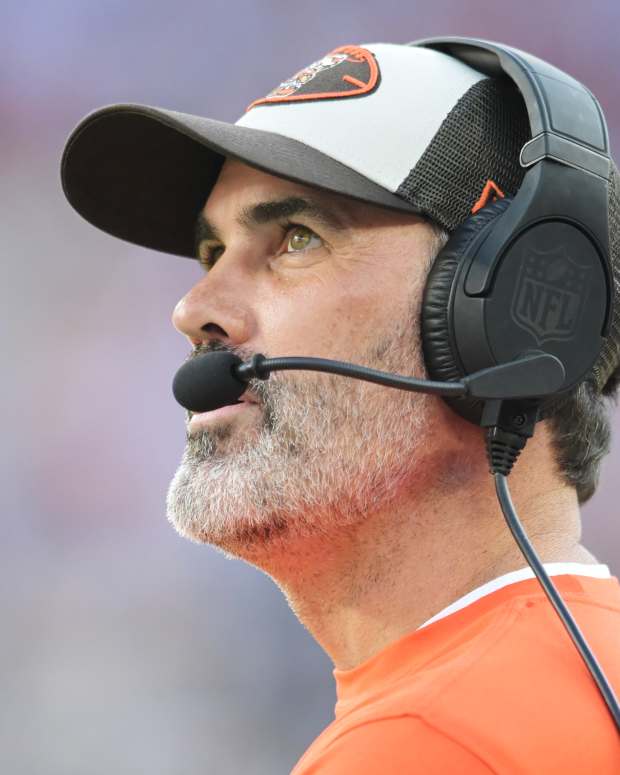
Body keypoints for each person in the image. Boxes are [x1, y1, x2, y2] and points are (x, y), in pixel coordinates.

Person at [61, 40, 620, 773]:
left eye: (296, 239)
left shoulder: (430, 741)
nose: (194, 308)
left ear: (510, 315)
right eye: (211, 252)